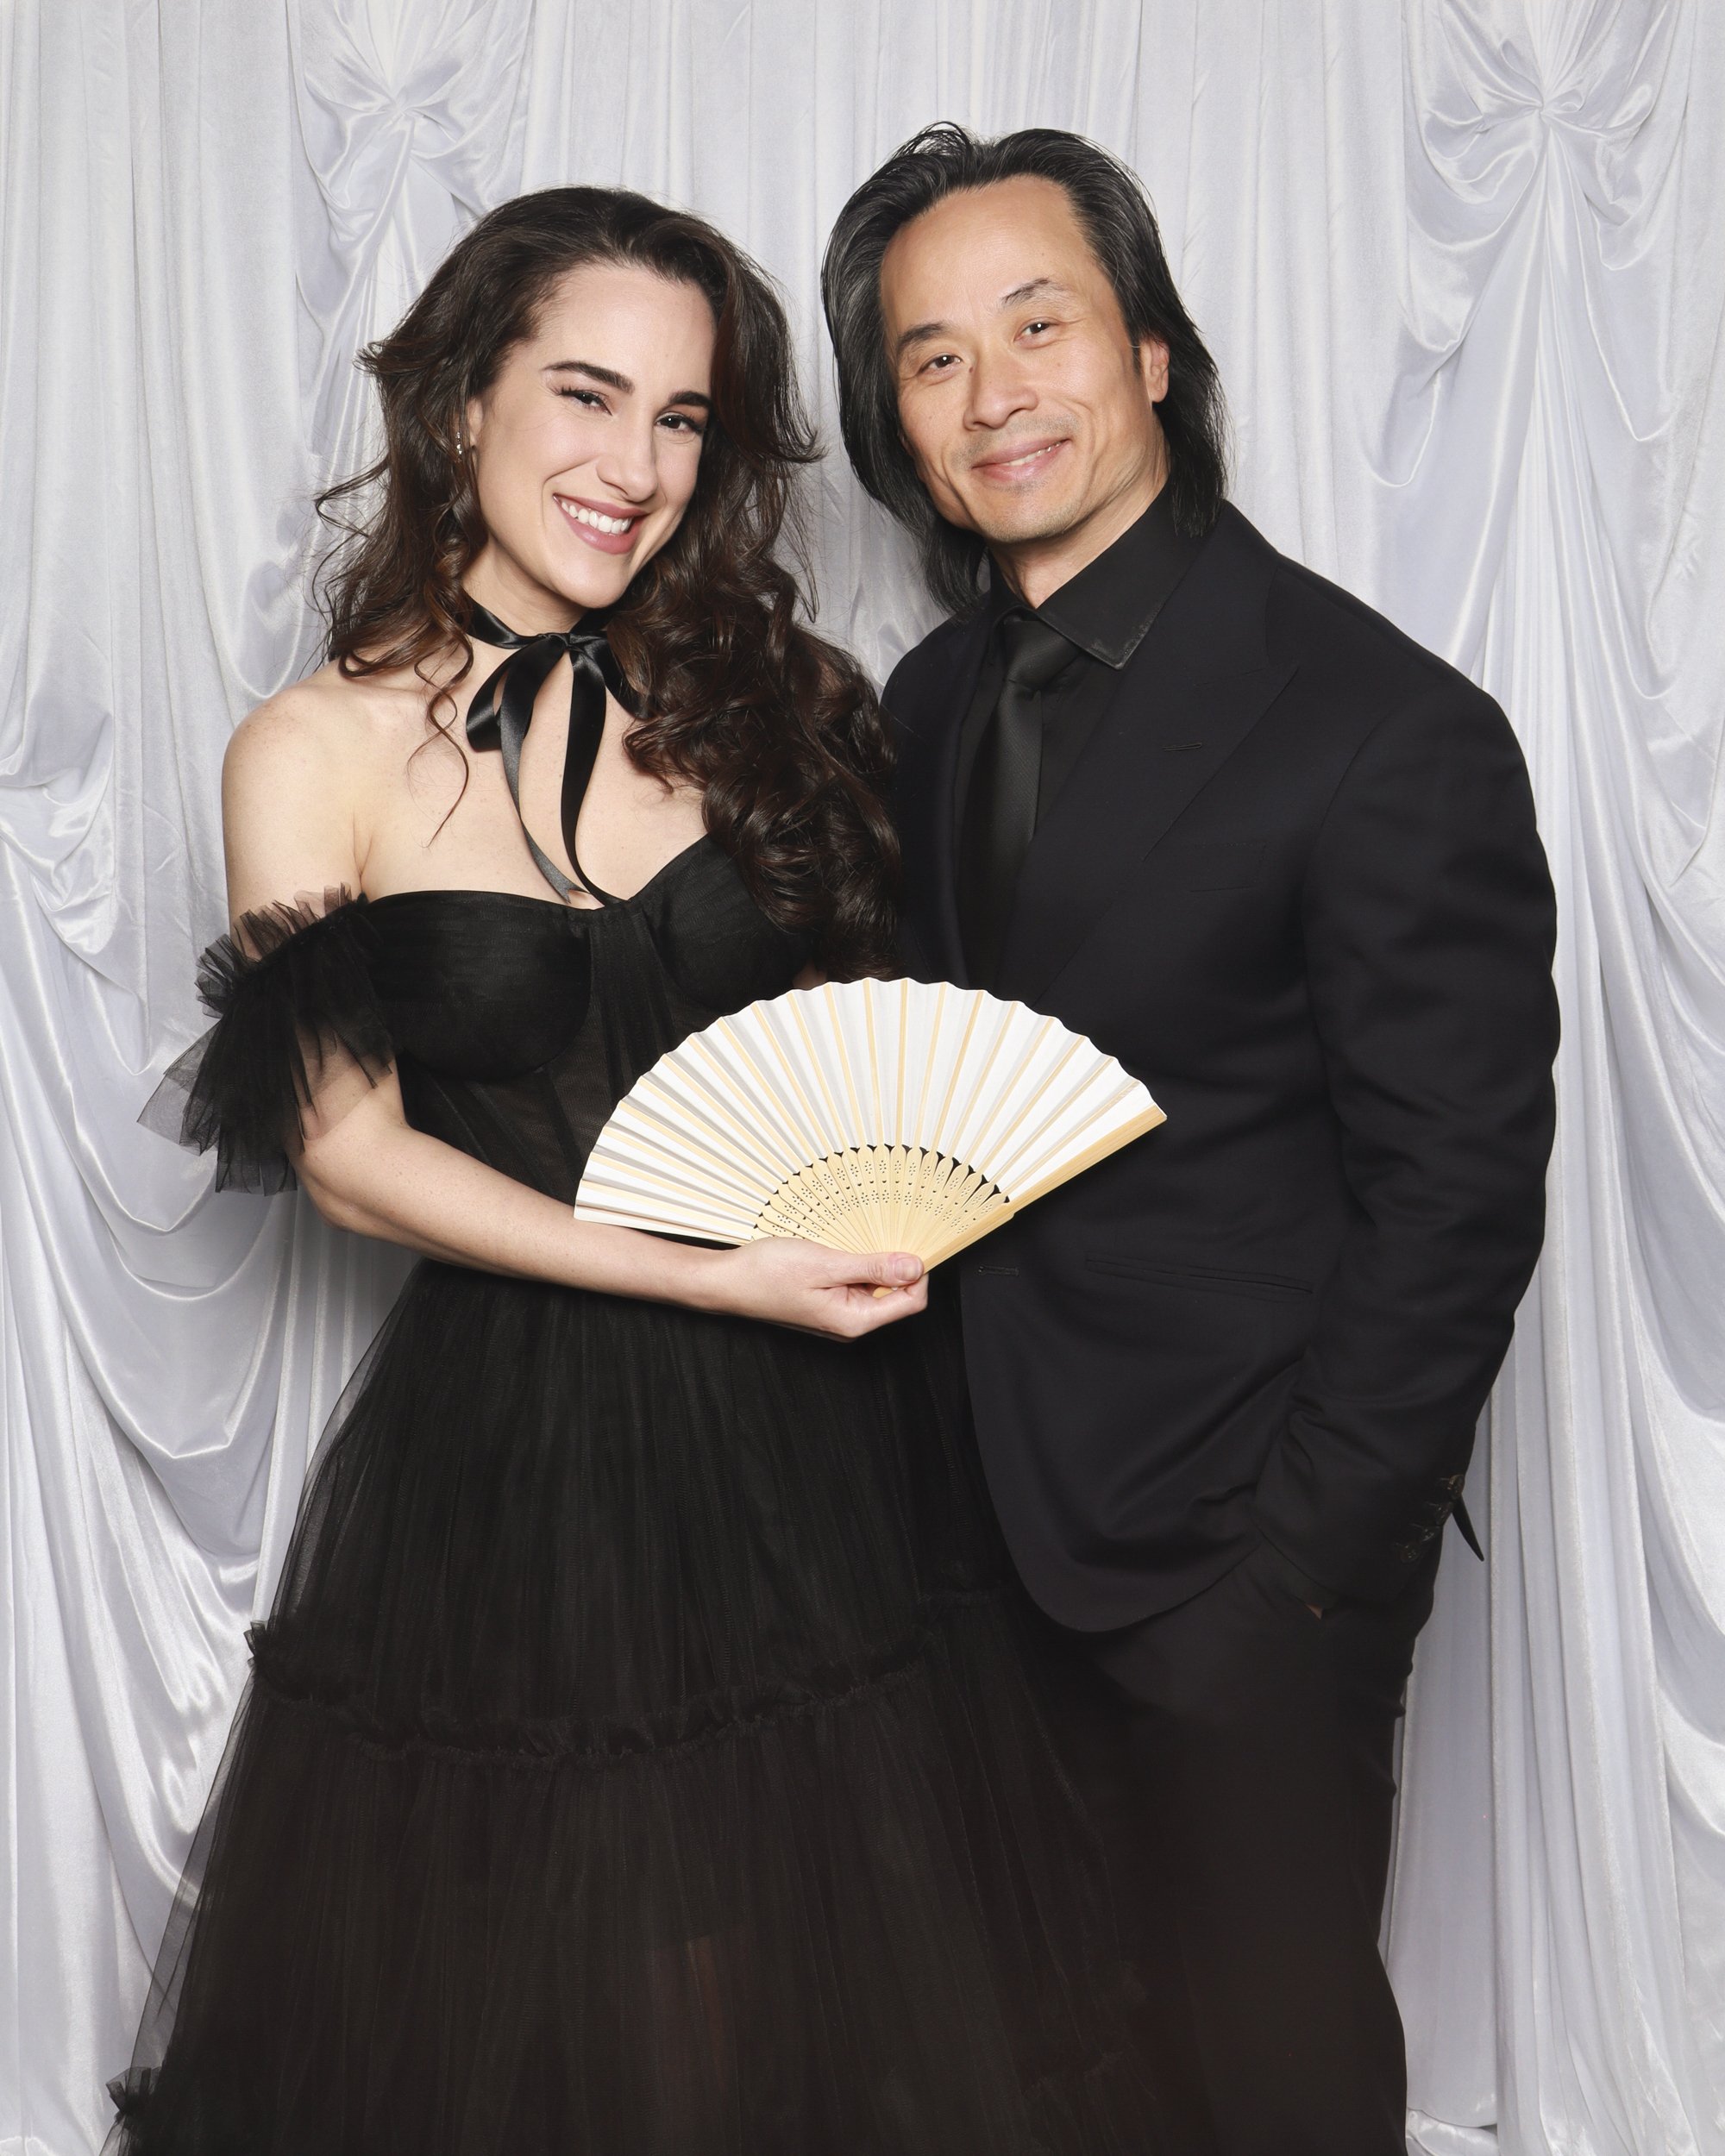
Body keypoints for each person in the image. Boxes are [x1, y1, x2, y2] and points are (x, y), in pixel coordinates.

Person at [112, 185, 1156, 2155]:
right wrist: (698, 1271)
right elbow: (350, 1159)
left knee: (834, 1969)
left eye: (681, 419)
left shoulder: (760, 706)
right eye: (588, 396)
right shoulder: (310, 750)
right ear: (462, 405)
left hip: (823, 1411)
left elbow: (878, 1043)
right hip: (532, 1446)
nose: (636, 466)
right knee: (605, 1992)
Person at [823, 124, 1559, 2156]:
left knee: (1268, 2077)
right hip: (968, 1533)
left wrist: (1297, 1573)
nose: (993, 391)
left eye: (1038, 325)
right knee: (1042, 2070)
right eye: (932, 357)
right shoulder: (925, 700)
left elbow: (1455, 1195)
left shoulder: (1380, 723)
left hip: (1240, 1558)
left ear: (1151, 352)